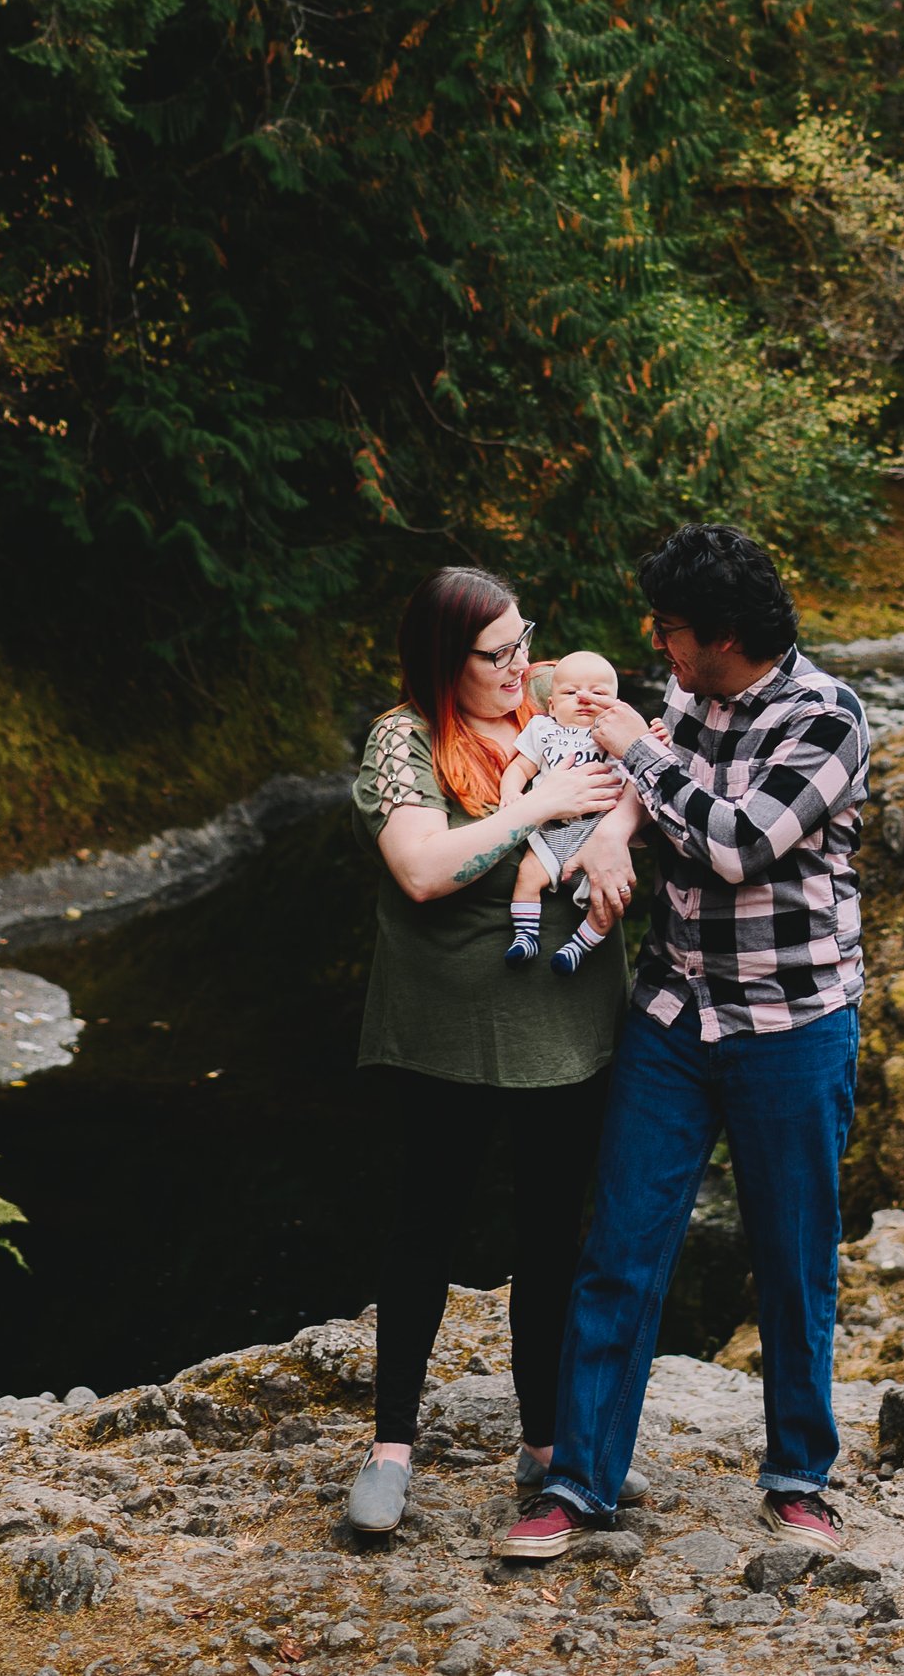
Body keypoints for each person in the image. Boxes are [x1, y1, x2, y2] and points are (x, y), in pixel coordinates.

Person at [494, 520, 870, 1564]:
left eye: (668, 630)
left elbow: (737, 842)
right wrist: (614, 830)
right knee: (619, 1246)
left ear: (719, 634)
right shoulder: (680, 703)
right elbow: (644, 810)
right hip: (671, 1010)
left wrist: (637, 752)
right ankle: (577, 1482)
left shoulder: (826, 716)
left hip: (791, 1023)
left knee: (792, 1260)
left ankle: (798, 1477)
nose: (655, 645)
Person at [345, 567, 641, 1541]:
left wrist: (612, 836)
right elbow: (424, 867)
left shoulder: (560, 695)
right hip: (447, 1024)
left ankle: (548, 1448)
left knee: (554, 1236)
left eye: (525, 641)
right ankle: (392, 1446)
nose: (521, 666)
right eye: (496, 653)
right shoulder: (405, 736)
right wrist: (535, 806)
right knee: (424, 1224)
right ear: (443, 660)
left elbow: (651, 759)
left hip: (565, 1016)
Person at [505, 649, 627, 972]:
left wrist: (650, 737)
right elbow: (520, 767)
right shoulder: (542, 729)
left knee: (610, 898)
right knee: (528, 874)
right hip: (551, 831)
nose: (584, 698)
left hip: (596, 836)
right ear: (552, 705)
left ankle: (578, 947)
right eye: (571, 693)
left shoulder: (614, 736)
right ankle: (526, 936)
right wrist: (511, 793)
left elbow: (642, 767)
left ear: (616, 705)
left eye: (598, 693)